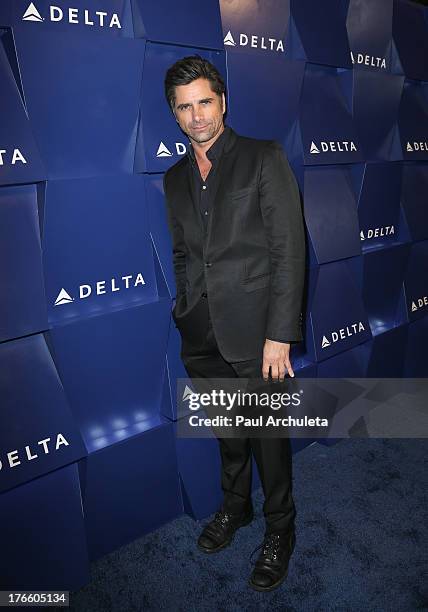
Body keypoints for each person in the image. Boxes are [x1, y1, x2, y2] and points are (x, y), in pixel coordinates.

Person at [162, 55, 306, 592]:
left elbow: (289, 250)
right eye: (184, 107)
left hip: (258, 335)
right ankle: (235, 507)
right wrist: (184, 308)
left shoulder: (262, 157)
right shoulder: (174, 179)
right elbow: (183, 254)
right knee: (229, 433)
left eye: (205, 102)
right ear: (174, 115)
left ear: (223, 101)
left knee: (269, 437)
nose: (197, 116)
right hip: (201, 332)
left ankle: (280, 529)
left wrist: (280, 334)